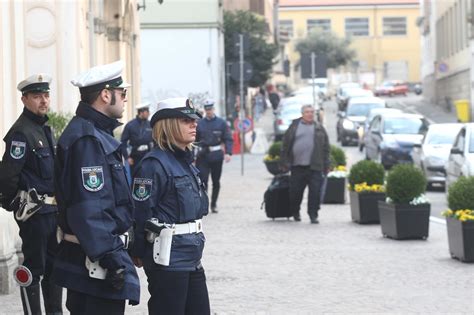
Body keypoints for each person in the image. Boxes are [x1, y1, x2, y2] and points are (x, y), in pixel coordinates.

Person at [52, 61, 140, 314]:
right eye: (122, 94)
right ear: (105, 95)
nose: (124, 99)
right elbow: (90, 206)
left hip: (97, 255)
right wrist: (110, 256)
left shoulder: (95, 133)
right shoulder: (88, 138)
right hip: (96, 261)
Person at [130, 97, 210, 314]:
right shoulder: (153, 165)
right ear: (168, 125)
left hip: (192, 255)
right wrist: (137, 250)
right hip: (168, 260)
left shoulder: (185, 162)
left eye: (194, 120)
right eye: (186, 120)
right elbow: (140, 213)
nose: (194, 124)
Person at [0, 74, 63, 315]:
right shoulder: (21, 133)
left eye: (46, 95)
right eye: (37, 96)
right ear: (25, 99)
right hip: (35, 215)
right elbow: (7, 177)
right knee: (33, 272)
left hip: (53, 213)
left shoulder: (43, 128)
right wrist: (16, 206)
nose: (43, 101)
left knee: (54, 270)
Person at [280, 104, 330, 224]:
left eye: (312, 112)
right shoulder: (294, 127)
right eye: (307, 112)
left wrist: (326, 164)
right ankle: (295, 211)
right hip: (297, 167)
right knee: (295, 193)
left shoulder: (319, 128)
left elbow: (326, 148)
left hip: (315, 166)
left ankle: (313, 215)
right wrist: (284, 162)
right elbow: (285, 145)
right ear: (302, 114)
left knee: (315, 193)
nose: (310, 114)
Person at [196, 99, 233, 213]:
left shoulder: (221, 123)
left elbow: (228, 138)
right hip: (203, 156)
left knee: (216, 181)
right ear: (205, 110)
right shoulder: (200, 123)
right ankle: (204, 204)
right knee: (203, 181)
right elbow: (194, 141)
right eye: (207, 110)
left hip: (217, 156)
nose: (209, 111)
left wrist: (228, 152)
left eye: (210, 109)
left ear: (213, 109)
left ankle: (213, 204)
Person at [121, 102, 153, 175]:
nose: (149, 113)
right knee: (136, 178)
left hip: (148, 156)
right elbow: (123, 142)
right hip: (135, 158)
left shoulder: (150, 124)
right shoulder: (130, 125)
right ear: (141, 112)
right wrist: (127, 157)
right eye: (147, 111)